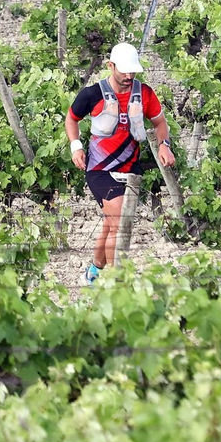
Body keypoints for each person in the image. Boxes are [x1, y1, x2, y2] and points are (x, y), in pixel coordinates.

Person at [65, 42, 175, 285]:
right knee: (119, 224)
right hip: (100, 170)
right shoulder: (92, 94)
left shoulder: (144, 93)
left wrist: (164, 145)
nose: (128, 76)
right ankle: (118, 283)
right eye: (124, 70)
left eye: (132, 71)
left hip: (131, 171)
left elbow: (159, 123)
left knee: (111, 223)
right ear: (110, 66)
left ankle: (94, 272)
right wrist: (76, 147)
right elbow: (71, 119)